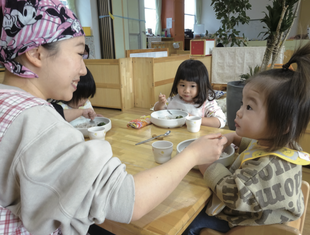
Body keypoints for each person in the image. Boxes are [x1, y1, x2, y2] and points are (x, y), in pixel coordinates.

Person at [0, 1, 227, 235]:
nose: (83, 69)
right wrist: (194, 154)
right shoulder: (36, 123)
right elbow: (130, 200)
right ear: (35, 53)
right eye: (80, 53)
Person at [183, 43, 310, 235]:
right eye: (243, 104)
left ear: (282, 125)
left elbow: (233, 194)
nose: (239, 112)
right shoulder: (281, 144)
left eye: (249, 107)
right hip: (268, 211)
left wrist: (206, 164)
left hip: (251, 224)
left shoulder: (263, 170)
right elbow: (252, 146)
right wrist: (230, 138)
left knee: (188, 223)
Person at [154, 59, 226, 128]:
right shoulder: (173, 100)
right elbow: (157, 113)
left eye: (192, 86)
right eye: (182, 85)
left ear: (202, 86)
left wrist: (193, 118)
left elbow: (220, 121)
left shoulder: (207, 102)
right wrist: (161, 104)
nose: (186, 90)